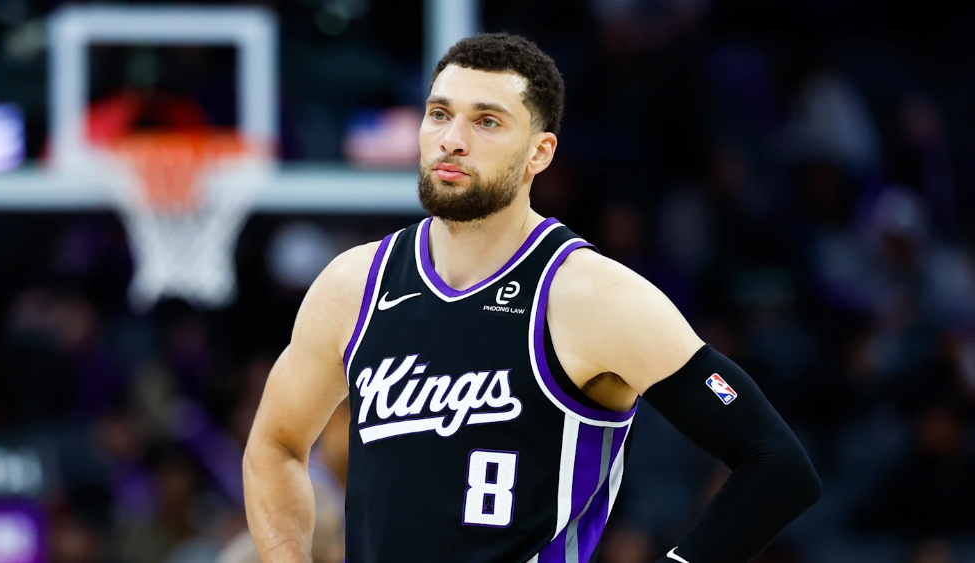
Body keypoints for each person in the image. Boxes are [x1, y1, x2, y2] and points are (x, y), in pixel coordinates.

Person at [242, 33, 821, 563]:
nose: (452, 140)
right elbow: (275, 445)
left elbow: (777, 465)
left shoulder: (591, 295)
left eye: (486, 121)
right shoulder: (352, 285)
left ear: (539, 153)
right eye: (439, 114)